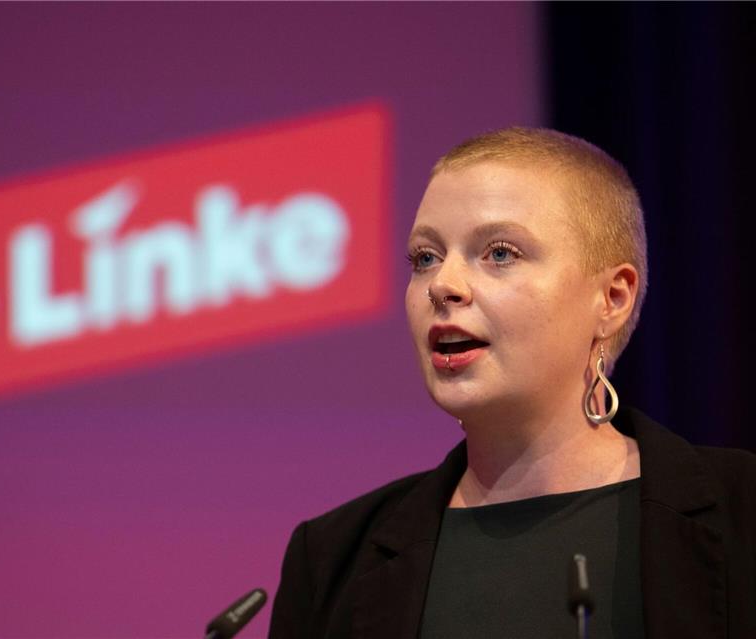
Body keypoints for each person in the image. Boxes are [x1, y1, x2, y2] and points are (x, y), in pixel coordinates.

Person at [268, 128, 756, 639]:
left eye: (499, 253)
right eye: (425, 258)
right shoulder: (332, 561)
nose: (443, 285)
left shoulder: (741, 514)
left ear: (612, 299)